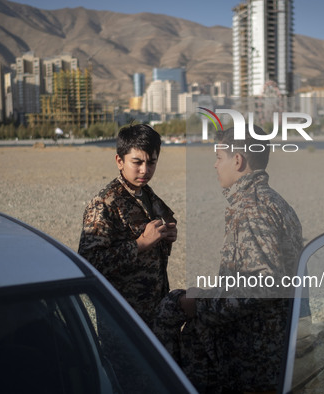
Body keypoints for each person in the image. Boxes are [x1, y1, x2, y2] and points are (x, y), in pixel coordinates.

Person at [154, 125, 303, 393]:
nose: (214, 165)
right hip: (274, 343)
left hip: (254, 355)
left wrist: (201, 305)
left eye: (219, 157)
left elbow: (264, 286)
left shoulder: (252, 208)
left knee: (173, 309)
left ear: (238, 160)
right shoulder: (274, 202)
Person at [78, 123, 177, 326]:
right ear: (119, 161)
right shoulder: (105, 203)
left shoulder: (149, 197)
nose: (145, 170)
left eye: (151, 163)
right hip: (122, 318)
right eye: (137, 162)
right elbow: (89, 262)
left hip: (154, 310)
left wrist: (166, 238)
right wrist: (140, 244)